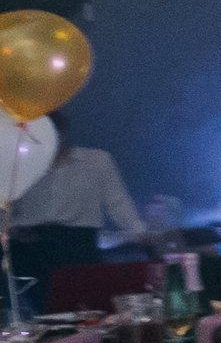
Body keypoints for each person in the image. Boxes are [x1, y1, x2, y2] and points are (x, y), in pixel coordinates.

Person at [5, 108, 149, 309]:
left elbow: (118, 202)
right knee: (42, 311)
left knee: (84, 307)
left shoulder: (96, 161)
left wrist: (139, 233)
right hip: (30, 247)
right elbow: (7, 206)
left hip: (77, 246)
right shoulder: (20, 166)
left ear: (63, 132)